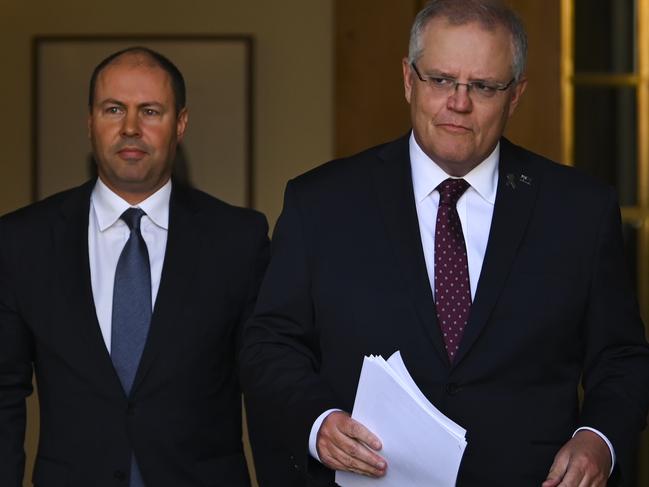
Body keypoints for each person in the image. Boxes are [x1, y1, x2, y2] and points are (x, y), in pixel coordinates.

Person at [240, 1, 649, 485]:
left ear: (515, 95)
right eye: (441, 80)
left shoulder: (579, 210)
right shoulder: (321, 203)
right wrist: (317, 423)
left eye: (483, 86)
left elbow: (621, 358)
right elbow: (270, 344)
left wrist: (598, 439)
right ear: (408, 80)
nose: (459, 102)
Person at [0, 46, 269, 486]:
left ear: (179, 124)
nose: (130, 128)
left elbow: (265, 388)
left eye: (149, 111)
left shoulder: (238, 240)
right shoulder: (23, 241)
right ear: (89, 121)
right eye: (113, 110)